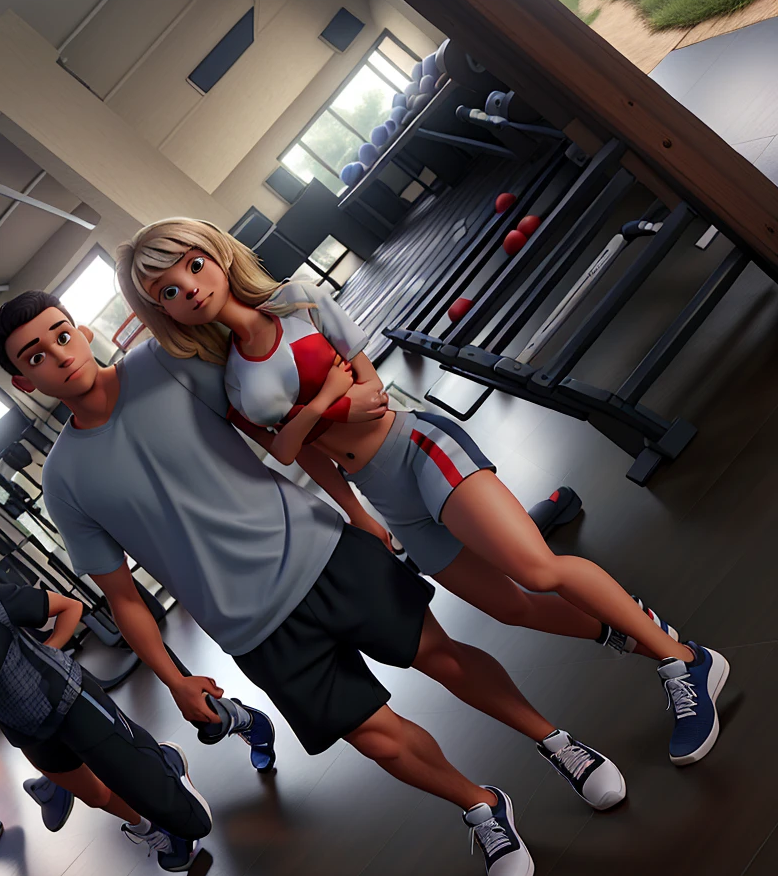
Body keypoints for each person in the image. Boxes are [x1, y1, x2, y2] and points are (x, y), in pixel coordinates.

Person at [0, 292, 630, 876]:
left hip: (322, 555)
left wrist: (359, 497)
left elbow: (275, 417)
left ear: (84, 330)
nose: (60, 355)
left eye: (61, 335)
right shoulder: (64, 480)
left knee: (443, 657)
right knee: (373, 737)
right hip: (252, 628)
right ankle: (482, 807)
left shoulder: (166, 362)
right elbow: (123, 597)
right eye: (35, 356)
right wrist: (176, 679)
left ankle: (557, 742)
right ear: (25, 382)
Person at [120, 217, 730, 770]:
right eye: (168, 291)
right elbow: (293, 449)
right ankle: (636, 630)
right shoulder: (231, 382)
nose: (190, 289)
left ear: (218, 257)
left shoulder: (299, 301)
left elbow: (372, 390)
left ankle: (683, 662)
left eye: (192, 266)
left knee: (536, 570)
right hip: (381, 494)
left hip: (416, 447)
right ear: (164, 313)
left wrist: (325, 405)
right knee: (508, 607)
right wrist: (353, 505)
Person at [0, 546, 212, 873]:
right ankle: (151, 830)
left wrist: (53, 650)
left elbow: (69, 607)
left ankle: (169, 774)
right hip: (29, 735)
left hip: (66, 700)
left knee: (130, 773)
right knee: (94, 795)